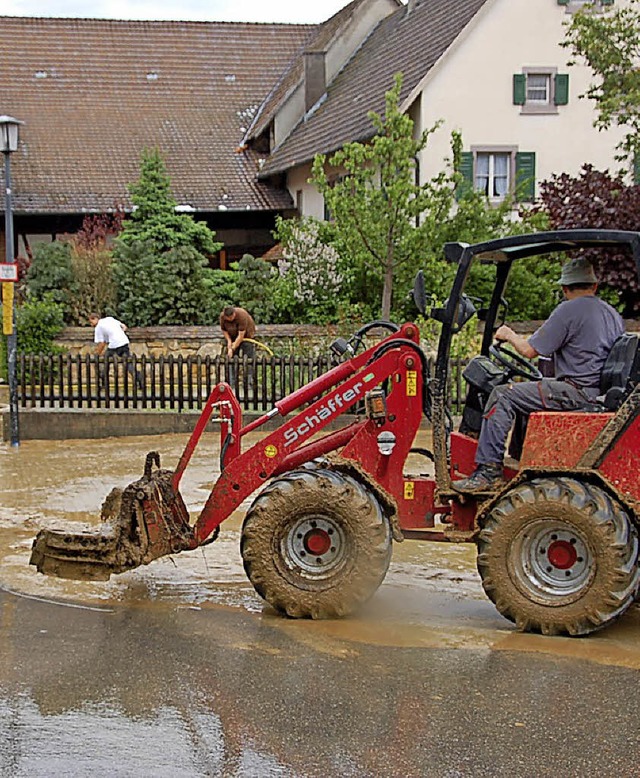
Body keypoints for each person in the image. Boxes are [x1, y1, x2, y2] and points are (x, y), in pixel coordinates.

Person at [453, 257, 625, 494]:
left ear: (565, 288)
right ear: (594, 286)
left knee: (503, 395)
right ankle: (518, 460)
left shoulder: (568, 310)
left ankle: (488, 472)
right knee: (528, 393)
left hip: (576, 392)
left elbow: (529, 351)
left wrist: (509, 335)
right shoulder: (612, 314)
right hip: (598, 393)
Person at [89, 313, 142, 389]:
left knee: (104, 362)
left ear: (96, 319)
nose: (91, 325)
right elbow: (124, 327)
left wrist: (97, 354)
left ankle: (104, 382)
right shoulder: (110, 319)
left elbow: (102, 343)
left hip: (114, 345)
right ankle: (139, 379)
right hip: (124, 342)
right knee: (128, 363)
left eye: (91, 322)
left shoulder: (98, 327)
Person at [220, 306, 256, 389]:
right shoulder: (222, 317)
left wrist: (232, 348)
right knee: (231, 358)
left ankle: (248, 382)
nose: (229, 319)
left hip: (247, 336)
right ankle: (231, 382)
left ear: (234, 314)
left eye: (231, 317)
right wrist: (229, 342)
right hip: (232, 336)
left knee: (248, 359)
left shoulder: (241, 316)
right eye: (227, 318)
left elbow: (241, 335)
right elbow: (224, 330)